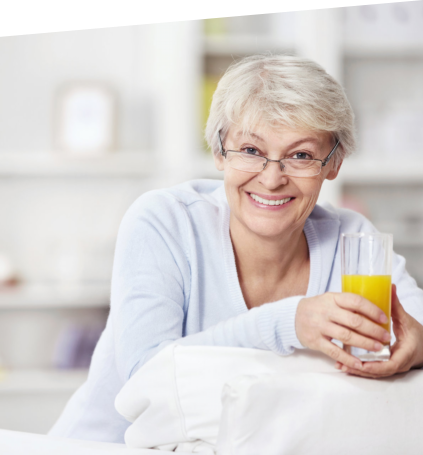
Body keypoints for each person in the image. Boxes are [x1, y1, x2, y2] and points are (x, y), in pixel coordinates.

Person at [49, 54, 423, 443]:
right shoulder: (165, 222)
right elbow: (146, 376)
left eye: (301, 155)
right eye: (250, 150)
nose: (272, 178)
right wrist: (289, 322)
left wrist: (416, 345)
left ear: (334, 163)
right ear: (218, 151)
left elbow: (416, 327)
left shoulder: (351, 238)